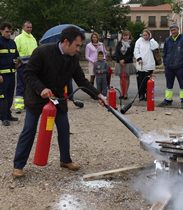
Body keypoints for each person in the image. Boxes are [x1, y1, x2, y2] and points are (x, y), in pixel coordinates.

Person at [12, 26, 107, 178]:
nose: (78, 49)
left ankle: (65, 160)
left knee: (64, 128)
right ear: (65, 42)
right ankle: (18, 165)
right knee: (29, 129)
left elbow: (81, 81)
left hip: (56, 98)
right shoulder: (42, 52)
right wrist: (41, 89)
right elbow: (29, 74)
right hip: (37, 98)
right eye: (77, 45)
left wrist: (98, 96)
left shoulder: (73, 59)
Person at [158, 23, 183, 109]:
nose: (173, 31)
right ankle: (168, 100)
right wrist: (165, 63)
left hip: (180, 67)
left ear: (178, 30)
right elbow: (164, 53)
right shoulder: (167, 40)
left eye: (174, 30)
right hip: (169, 67)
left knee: (182, 85)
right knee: (169, 85)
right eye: (171, 30)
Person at [14, 21, 37, 113]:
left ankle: (27, 104)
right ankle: (18, 106)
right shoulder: (18, 38)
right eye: (28, 27)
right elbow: (15, 52)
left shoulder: (33, 38)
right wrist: (17, 63)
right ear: (23, 27)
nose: (29, 29)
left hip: (32, 66)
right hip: (22, 66)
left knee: (30, 86)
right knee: (21, 85)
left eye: (31, 27)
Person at [0, 23, 19, 126]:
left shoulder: (12, 43)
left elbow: (16, 56)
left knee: (10, 96)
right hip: (2, 76)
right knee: (2, 97)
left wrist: (18, 62)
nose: (9, 33)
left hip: (12, 75)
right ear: (1, 31)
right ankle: (3, 118)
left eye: (10, 32)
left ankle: (8, 114)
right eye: (7, 31)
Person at [134, 29, 159, 101]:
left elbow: (155, 47)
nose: (145, 36)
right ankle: (141, 95)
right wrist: (138, 58)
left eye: (146, 35)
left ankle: (148, 94)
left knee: (148, 81)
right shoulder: (139, 41)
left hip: (149, 64)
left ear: (149, 35)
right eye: (144, 35)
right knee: (140, 81)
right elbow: (136, 50)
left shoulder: (151, 41)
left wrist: (151, 39)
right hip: (141, 64)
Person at [114, 30, 136, 99]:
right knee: (121, 78)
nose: (125, 37)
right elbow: (116, 53)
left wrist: (124, 60)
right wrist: (120, 60)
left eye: (127, 35)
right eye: (124, 35)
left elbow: (131, 54)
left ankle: (125, 93)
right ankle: (122, 93)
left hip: (128, 63)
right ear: (122, 36)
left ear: (129, 36)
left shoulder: (132, 44)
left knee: (126, 78)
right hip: (119, 62)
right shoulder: (119, 43)